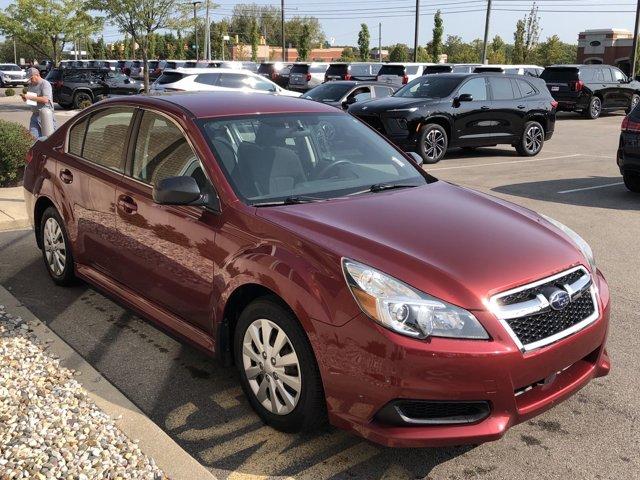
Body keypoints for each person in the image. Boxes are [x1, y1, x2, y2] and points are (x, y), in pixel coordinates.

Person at [20, 67, 56, 138]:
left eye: (31, 78)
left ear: (37, 75)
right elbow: (33, 100)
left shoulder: (45, 84)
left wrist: (29, 97)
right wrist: (26, 99)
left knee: (48, 139)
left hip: (45, 116)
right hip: (35, 115)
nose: (30, 81)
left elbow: (46, 100)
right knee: (32, 139)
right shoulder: (31, 85)